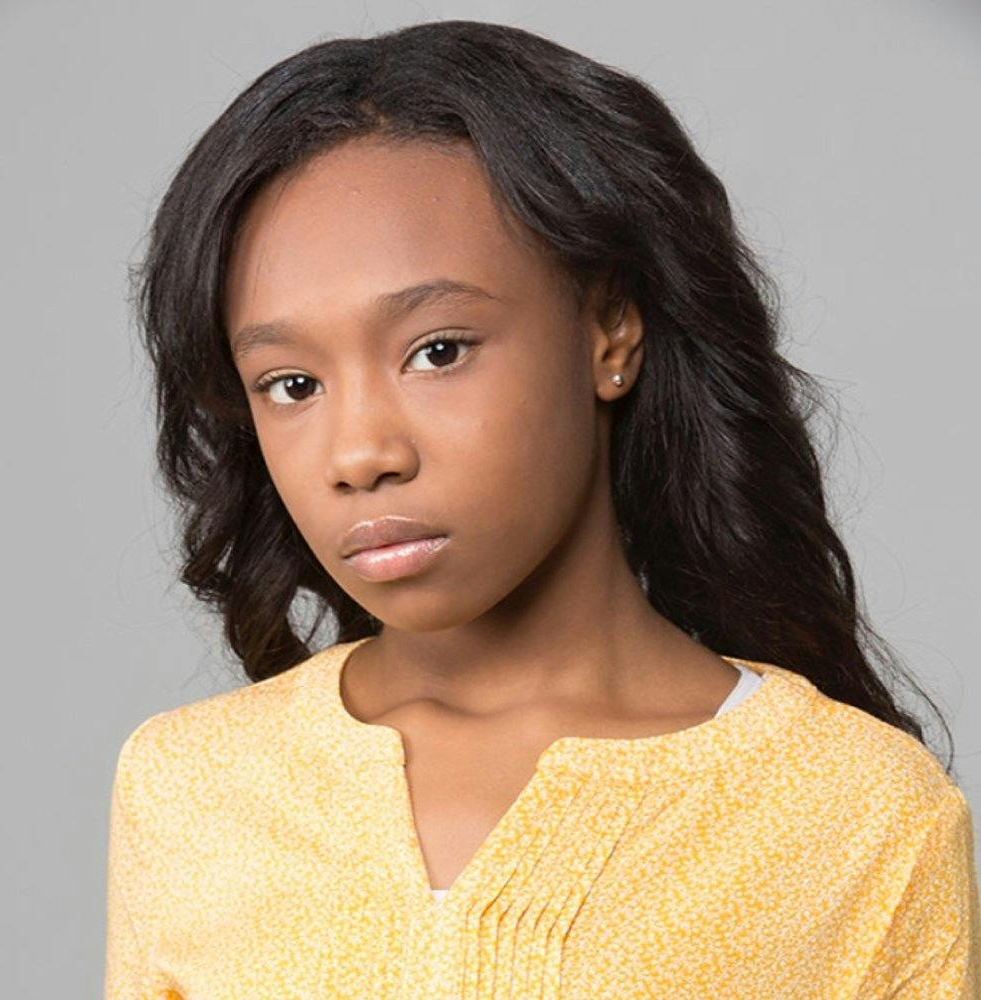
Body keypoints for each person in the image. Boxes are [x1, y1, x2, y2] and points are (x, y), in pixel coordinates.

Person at [104, 19, 980, 999]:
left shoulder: (860, 817)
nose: (358, 455)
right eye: (292, 384)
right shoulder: (191, 786)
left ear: (609, 332)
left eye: (438, 351)